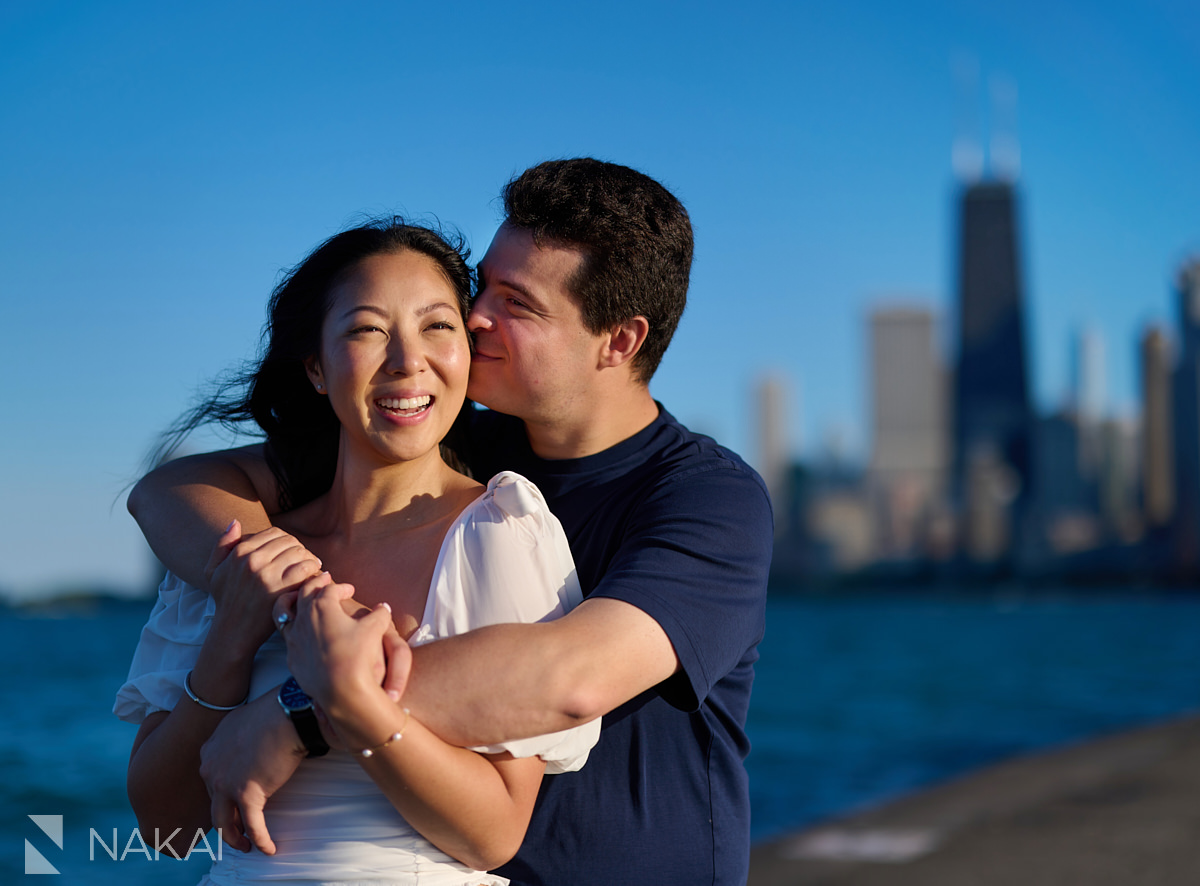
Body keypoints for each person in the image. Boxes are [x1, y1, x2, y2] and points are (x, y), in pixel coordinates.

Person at [128, 158, 773, 885]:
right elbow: (172, 490)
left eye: (517, 304)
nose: (475, 318)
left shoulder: (704, 499)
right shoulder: (437, 441)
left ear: (619, 342)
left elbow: (572, 677)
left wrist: (300, 713)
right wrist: (266, 591)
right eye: (482, 288)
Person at [115, 219, 598, 885]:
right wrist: (233, 633)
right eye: (367, 330)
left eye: (437, 326)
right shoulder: (240, 547)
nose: (406, 360)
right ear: (316, 367)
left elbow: (492, 837)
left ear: (466, 349)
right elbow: (165, 832)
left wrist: (343, 704)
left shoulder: (497, 532)